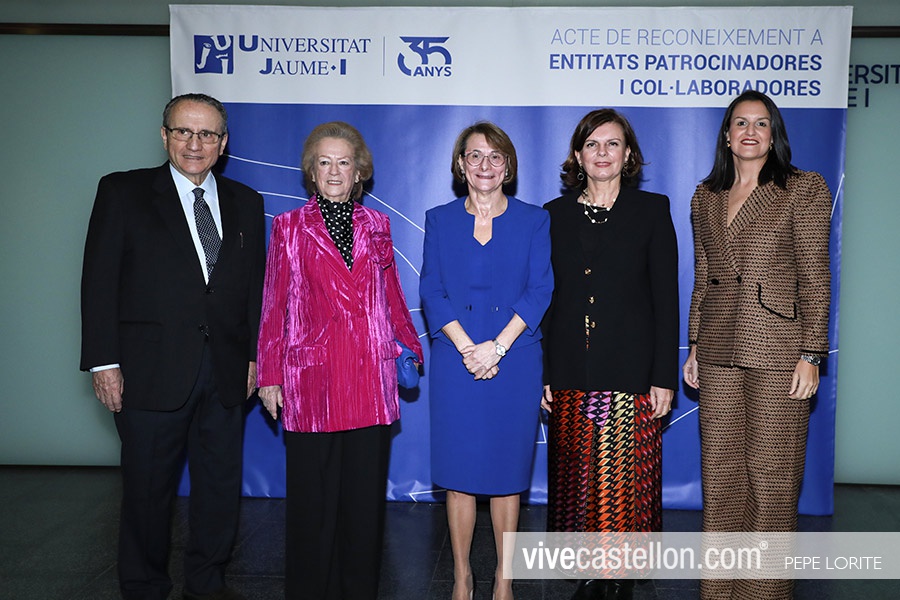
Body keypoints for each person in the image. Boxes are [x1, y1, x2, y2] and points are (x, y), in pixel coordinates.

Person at [80, 93, 266, 600]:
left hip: (226, 371)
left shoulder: (247, 201)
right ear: (164, 136)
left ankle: (207, 583)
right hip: (148, 371)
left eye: (207, 134)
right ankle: (143, 586)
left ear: (223, 143)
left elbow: (254, 288)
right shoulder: (123, 192)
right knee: (147, 490)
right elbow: (99, 282)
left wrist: (255, 357)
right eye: (183, 131)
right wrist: (103, 362)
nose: (194, 143)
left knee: (219, 488)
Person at [256, 121, 422, 600]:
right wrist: (269, 375)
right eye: (324, 162)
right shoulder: (289, 227)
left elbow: (391, 295)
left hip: (370, 378)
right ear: (311, 171)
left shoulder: (377, 225)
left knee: (363, 507)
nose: (334, 171)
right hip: (313, 383)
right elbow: (273, 306)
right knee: (313, 508)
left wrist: (409, 345)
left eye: (343, 162)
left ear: (359, 172)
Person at [682, 90, 832, 599]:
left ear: (774, 135)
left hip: (779, 350)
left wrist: (812, 353)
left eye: (761, 123)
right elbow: (703, 276)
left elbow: (815, 275)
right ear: (727, 136)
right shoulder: (705, 196)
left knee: (772, 478)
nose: (750, 132)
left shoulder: (802, 188)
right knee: (721, 474)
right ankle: (718, 590)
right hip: (718, 350)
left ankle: (761, 591)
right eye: (740, 123)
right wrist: (694, 344)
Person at [541, 109, 679, 600]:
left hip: (631, 368)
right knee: (576, 476)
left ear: (628, 154)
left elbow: (665, 299)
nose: (602, 153)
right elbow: (547, 299)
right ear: (578, 156)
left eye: (613, 144)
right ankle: (586, 571)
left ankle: (617, 577)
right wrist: (544, 371)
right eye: (592, 144)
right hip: (570, 368)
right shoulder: (552, 215)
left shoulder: (652, 209)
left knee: (622, 479)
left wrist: (663, 375)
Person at [420, 122, 553, 600]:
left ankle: (504, 579)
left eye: (496, 156)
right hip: (455, 363)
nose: (485, 165)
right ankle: (462, 576)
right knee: (458, 477)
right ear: (460, 164)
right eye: (474, 155)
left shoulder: (535, 220)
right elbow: (431, 291)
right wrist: (468, 349)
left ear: (508, 166)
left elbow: (540, 290)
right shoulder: (439, 219)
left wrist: (495, 348)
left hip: (514, 362)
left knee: (506, 478)